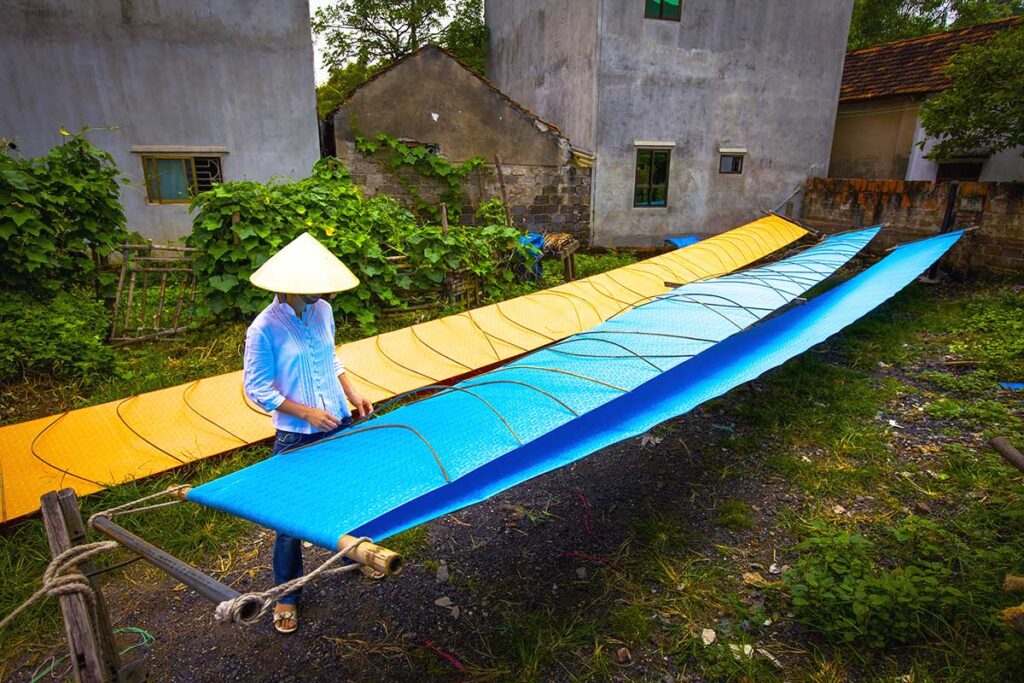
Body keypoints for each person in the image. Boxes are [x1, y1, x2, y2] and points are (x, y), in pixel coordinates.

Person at [242, 232, 374, 634]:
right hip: (297, 432)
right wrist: (306, 414)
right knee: (290, 517)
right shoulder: (263, 328)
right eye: (312, 286)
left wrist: (352, 393)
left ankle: (352, 554)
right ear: (289, 284)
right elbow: (258, 388)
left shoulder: (322, 312)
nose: (320, 292)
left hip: (337, 419)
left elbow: (330, 355)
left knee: (346, 493)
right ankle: (287, 593)